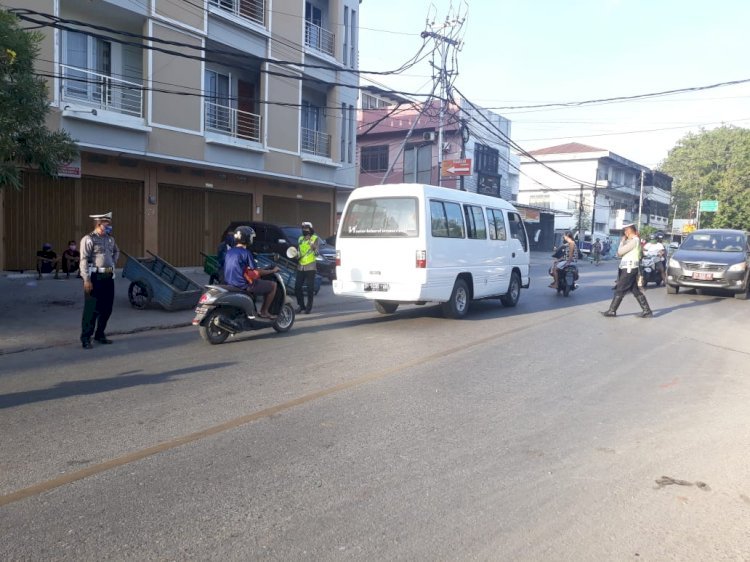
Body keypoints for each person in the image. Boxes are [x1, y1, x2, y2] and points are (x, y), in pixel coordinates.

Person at [80, 212, 120, 349]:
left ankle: (100, 334)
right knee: (91, 309)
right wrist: (86, 279)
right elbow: (83, 260)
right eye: (106, 224)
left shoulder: (110, 239)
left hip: (108, 276)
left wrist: (112, 263)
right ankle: (86, 337)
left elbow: (117, 251)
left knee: (107, 308)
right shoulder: (88, 239)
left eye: (109, 223)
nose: (109, 226)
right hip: (94, 277)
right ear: (99, 224)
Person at [223, 226, 279, 319]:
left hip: (230, 283)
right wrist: (272, 271)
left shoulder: (230, 252)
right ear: (246, 238)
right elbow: (256, 272)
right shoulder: (246, 253)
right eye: (251, 237)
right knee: (273, 285)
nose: (252, 239)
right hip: (244, 285)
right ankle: (264, 312)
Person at [601, 223, 653, 318]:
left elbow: (620, 252)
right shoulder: (635, 241)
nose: (624, 232)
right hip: (629, 268)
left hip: (629, 269)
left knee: (620, 289)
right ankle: (647, 310)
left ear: (629, 231)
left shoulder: (634, 241)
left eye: (625, 230)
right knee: (635, 290)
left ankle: (612, 311)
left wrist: (622, 242)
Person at [294, 221, 320, 313]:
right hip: (301, 266)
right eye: (303, 228)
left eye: (306, 228)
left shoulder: (315, 238)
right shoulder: (300, 238)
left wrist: (313, 246)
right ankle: (301, 306)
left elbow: (317, 253)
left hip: (310, 266)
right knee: (297, 287)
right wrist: (295, 255)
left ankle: (309, 307)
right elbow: (299, 250)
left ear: (310, 229)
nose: (304, 230)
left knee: (310, 288)